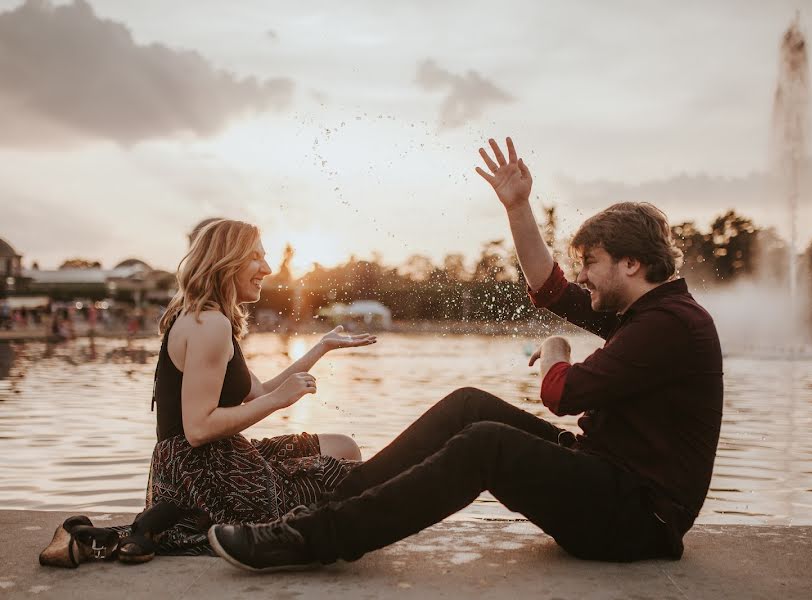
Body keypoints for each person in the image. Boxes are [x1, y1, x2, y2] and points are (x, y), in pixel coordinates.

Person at [207, 137, 724, 571]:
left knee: (487, 445)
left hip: (638, 520)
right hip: (607, 481)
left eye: (591, 262)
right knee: (469, 406)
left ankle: (316, 541)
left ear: (632, 263)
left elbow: (562, 392)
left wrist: (554, 347)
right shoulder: (643, 311)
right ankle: (322, 508)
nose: (583, 275)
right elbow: (549, 288)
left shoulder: (670, 325)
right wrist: (518, 208)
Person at [39, 219, 376, 568]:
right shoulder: (209, 325)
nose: (268, 268)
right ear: (226, 262)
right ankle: (94, 538)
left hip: (214, 458)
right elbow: (198, 429)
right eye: (256, 258)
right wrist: (279, 401)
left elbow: (258, 391)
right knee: (349, 478)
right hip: (202, 475)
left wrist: (320, 348)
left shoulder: (211, 319)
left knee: (344, 446)